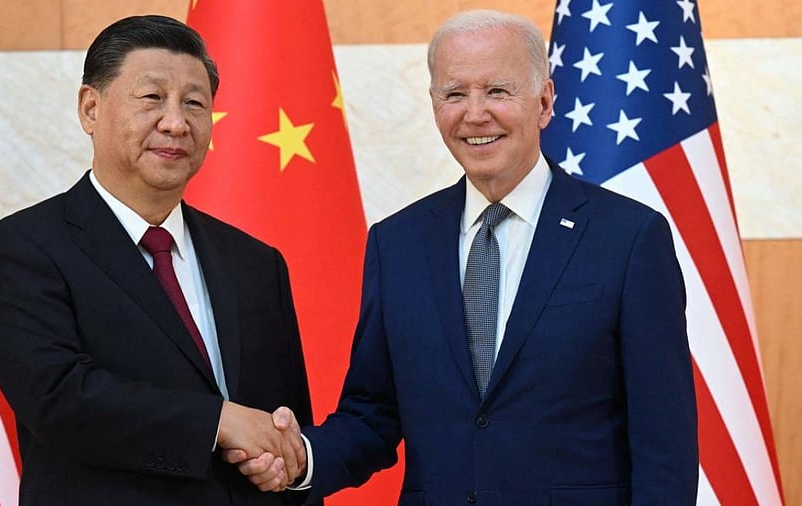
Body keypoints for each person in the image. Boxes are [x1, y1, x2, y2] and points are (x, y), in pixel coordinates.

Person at [229, 9, 699, 505]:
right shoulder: (398, 243)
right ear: (434, 105)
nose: (475, 114)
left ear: (544, 101)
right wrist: (300, 457)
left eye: (497, 90)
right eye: (454, 94)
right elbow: (373, 414)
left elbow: (663, 444)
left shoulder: (629, 237)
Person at [0, 15, 313, 505]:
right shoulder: (25, 247)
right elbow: (58, 399)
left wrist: (294, 464)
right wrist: (216, 422)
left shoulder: (256, 263)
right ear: (91, 108)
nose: (176, 122)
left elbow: (285, 424)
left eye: (195, 103)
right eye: (152, 98)